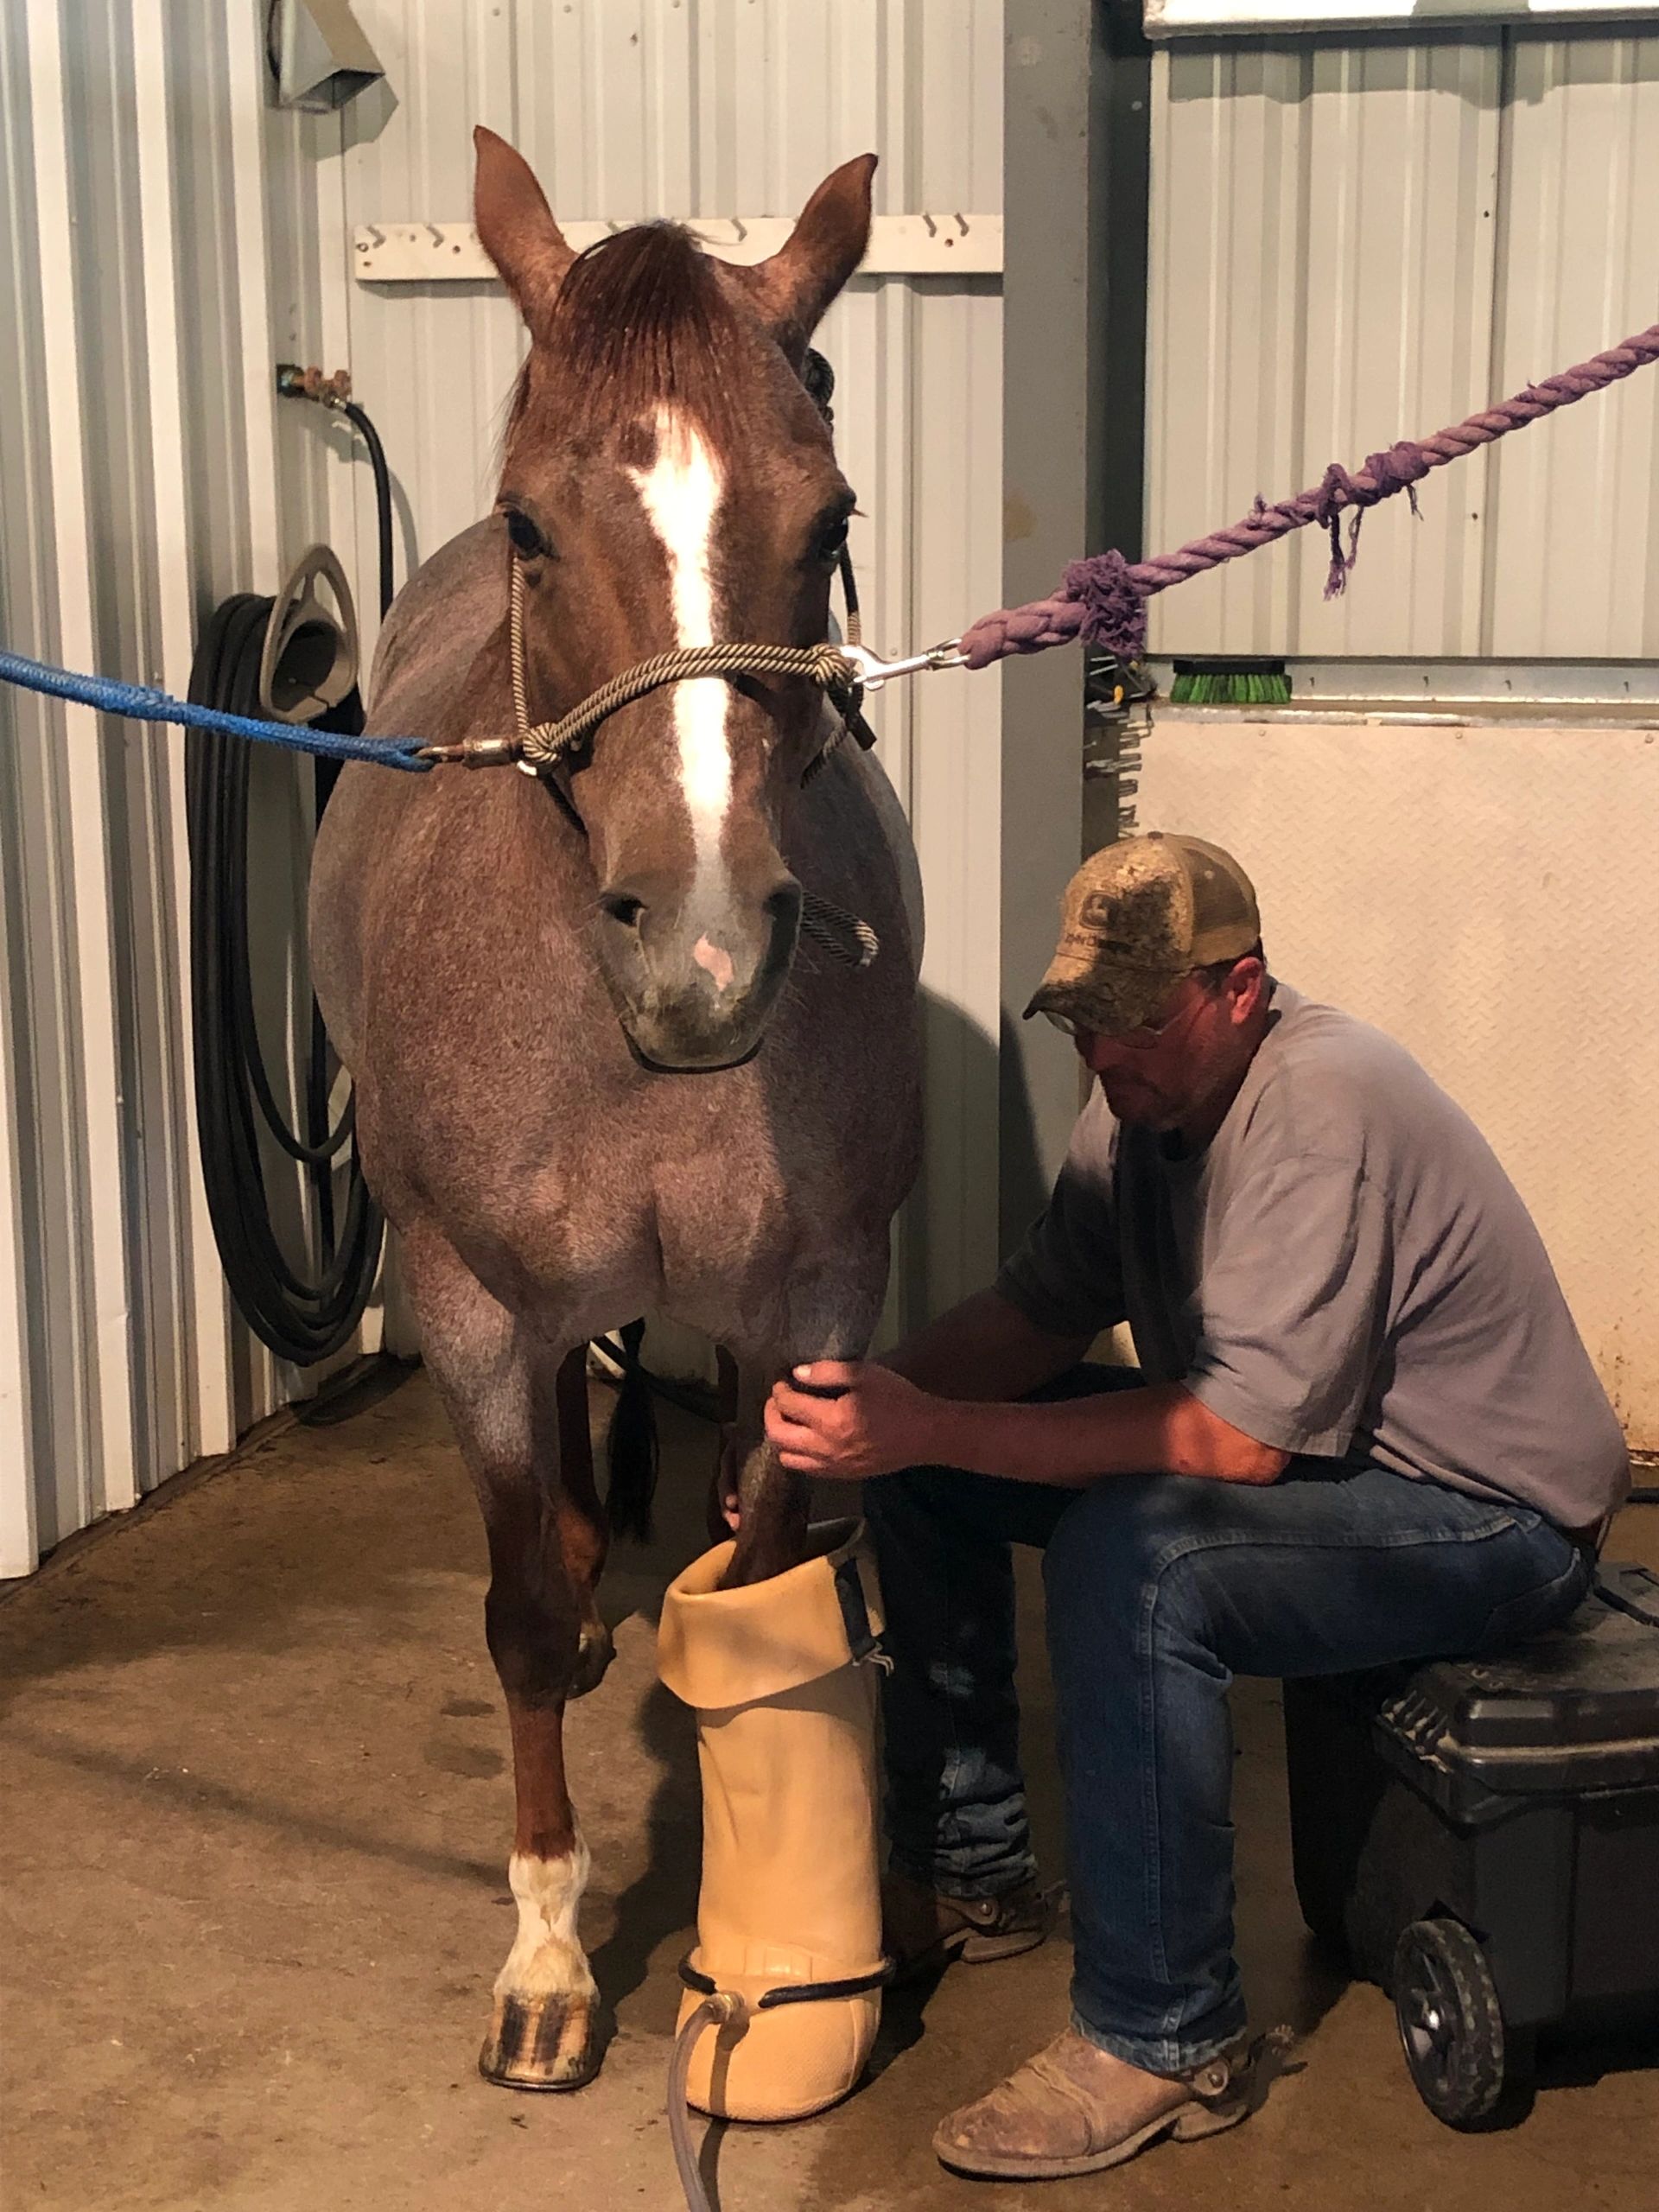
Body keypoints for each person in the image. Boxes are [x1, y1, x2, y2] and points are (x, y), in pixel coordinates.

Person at [762, 830, 1629, 2182]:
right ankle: (970, 1869)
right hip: (1338, 1471)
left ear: (1240, 988)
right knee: (929, 1473)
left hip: (1494, 1518)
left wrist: (929, 1419)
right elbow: (1045, 1311)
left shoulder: (1322, 1108)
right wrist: (864, 1410)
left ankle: (1168, 2040)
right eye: (1086, 1029)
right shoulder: (1144, 1098)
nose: (1106, 1062)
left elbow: (1232, 1446)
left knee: (1139, 1560)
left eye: (1136, 1026)